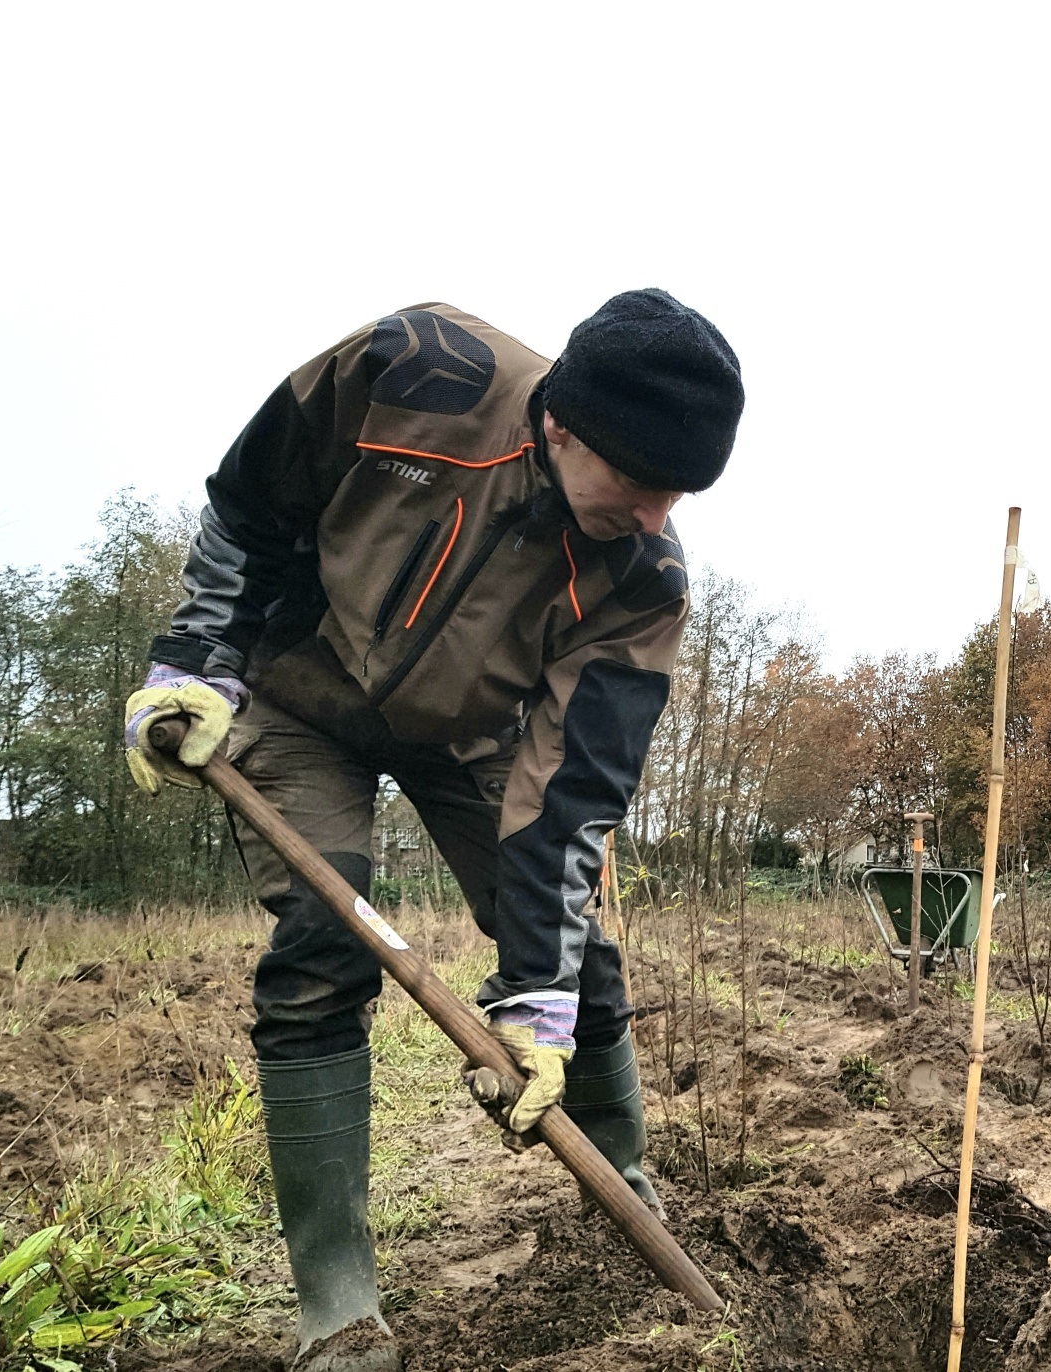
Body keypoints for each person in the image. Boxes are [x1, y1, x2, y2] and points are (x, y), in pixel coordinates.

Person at [123, 291, 742, 1372]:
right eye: (640, 488)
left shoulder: (643, 575)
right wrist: (199, 655)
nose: (655, 518)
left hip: (471, 729)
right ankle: (338, 1302)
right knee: (321, 939)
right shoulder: (414, 371)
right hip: (297, 691)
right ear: (560, 425)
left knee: (577, 961)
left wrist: (537, 990)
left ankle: (625, 1199)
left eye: (676, 496)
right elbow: (251, 505)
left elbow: (574, 790)